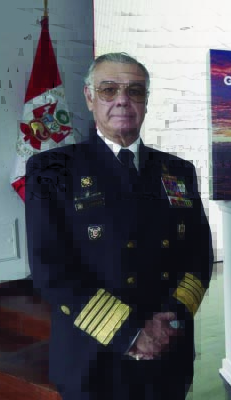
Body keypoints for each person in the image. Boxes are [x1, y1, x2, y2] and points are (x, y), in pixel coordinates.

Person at [25, 52, 213, 400]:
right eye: (109, 89)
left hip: (167, 353)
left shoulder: (178, 170)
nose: (123, 100)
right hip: (95, 358)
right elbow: (50, 269)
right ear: (89, 97)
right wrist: (130, 333)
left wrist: (170, 319)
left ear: (146, 101)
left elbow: (199, 255)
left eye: (135, 90)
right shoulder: (52, 169)